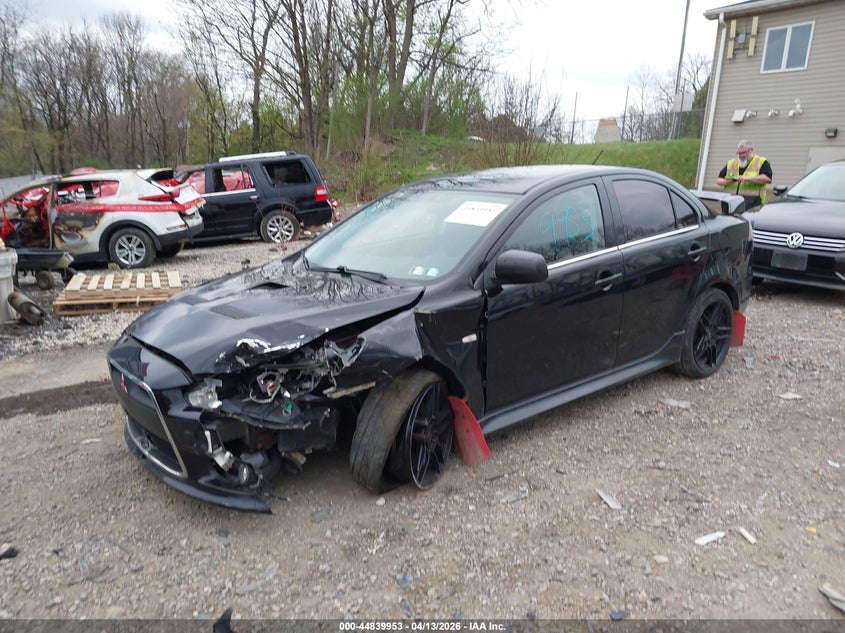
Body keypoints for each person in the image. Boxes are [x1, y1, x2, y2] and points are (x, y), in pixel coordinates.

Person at [716, 140, 773, 210]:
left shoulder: (761, 162)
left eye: (744, 153)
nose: (741, 156)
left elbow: (767, 179)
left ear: (751, 150)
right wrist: (728, 182)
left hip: (752, 205)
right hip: (730, 204)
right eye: (739, 153)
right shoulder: (731, 163)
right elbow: (719, 180)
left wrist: (748, 178)